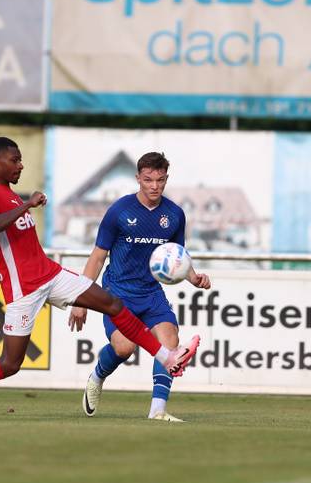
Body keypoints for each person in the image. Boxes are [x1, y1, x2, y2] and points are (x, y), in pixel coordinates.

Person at [0, 138, 200, 419]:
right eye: (15, 160)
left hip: (51, 274)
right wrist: (27, 206)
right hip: (24, 288)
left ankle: (167, 357)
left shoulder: (10, 195)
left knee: (112, 303)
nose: (21, 165)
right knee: (9, 364)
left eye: (21, 159)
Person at [69, 152, 211, 422]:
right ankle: (97, 376)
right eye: (148, 180)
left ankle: (157, 410)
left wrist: (194, 278)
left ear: (166, 179)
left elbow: (177, 255)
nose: (154, 186)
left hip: (151, 293)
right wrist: (80, 299)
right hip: (117, 293)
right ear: (138, 179)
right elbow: (98, 256)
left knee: (170, 343)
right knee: (124, 349)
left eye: (160, 180)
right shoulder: (119, 211)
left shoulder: (174, 215)